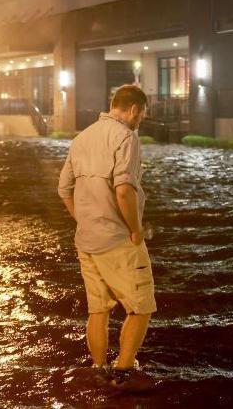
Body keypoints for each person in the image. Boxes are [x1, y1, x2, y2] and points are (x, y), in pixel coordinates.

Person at [57, 84, 156, 391]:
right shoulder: (126, 137)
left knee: (98, 310)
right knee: (141, 307)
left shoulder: (82, 137)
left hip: (86, 239)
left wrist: (83, 219)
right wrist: (136, 229)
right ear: (134, 109)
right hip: (117, 240)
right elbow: (124, 189)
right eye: (142, 115)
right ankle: (124, 372)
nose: (140, 121)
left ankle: (99, 370)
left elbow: (63, 189)